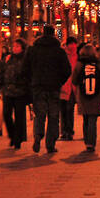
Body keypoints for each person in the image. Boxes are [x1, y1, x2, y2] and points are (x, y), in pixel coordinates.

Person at [26, 26, 71, 154]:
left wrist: (32, 81)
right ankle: (50, 144)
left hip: (38, 87)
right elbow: (67, 70)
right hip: (53, 87)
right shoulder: (59, 51)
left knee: (39, 114)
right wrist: (59, 81)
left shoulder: (32, 50)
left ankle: (38, 136)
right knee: (53, 116)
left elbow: (25, 69)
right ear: (53, 35)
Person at [72, 43, 100, 151]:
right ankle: (91, 143)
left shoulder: (79, 64)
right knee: (93, 118)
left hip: (83, 95)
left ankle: (87, 141)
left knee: (86, 118)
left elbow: (74, 80)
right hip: (96, 95)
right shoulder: (99, 64)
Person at [0, 39, 31, 149]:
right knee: (6, 114)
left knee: (19, 116)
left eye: (17, 46)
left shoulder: (26, 60)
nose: (15, 48)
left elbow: (28, 75)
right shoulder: (8, 59)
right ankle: (12, 135)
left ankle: (17, 139)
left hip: (20, 92)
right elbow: (1, 72)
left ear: (22, 48)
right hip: (8, 91)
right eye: (14, 46)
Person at [59, 37, 80, 141]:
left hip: (73, 87)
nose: (72, 46)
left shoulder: (78, 56)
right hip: (63, 86)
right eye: (70, 44)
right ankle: (64, 131)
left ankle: (69, 131)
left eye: (74, 44)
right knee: (63, 110)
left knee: (69, 109)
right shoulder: (63, 56)